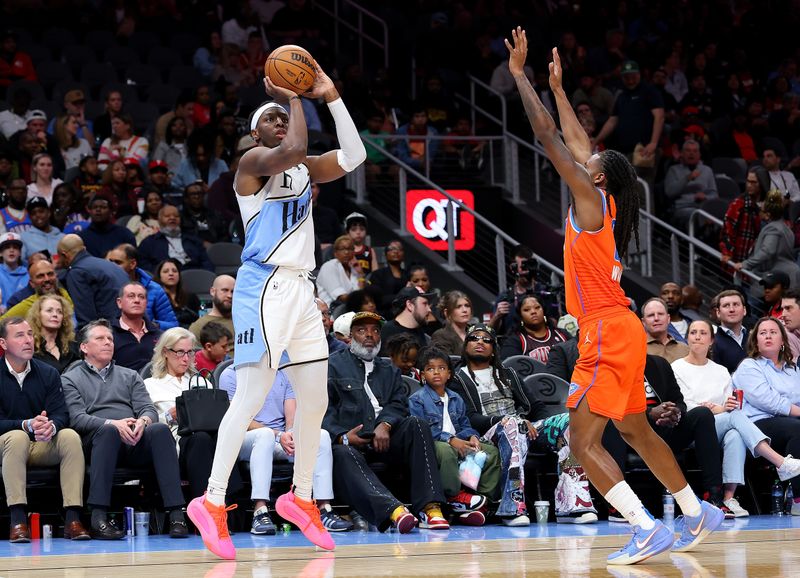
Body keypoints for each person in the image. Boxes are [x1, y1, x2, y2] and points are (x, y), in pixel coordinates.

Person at [507, 31, 721, 564]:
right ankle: (696, 512)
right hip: (622, 330)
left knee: (581, 444)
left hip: (604, 330)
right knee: (636, 428)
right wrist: (558, 87)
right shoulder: (604, 199)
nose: (586, 159)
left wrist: (520, 78)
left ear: (597, 176)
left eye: (592, 161)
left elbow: (550, 138)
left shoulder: (588, 201)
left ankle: (645, 527)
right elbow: (578, 142)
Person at [187, 60, 367, 559]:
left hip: (303, 290)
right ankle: (213, 501)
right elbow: (294, 148)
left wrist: (329, 94)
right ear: (254, 134)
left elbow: (354, 153)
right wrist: (294, 95)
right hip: (263, 286)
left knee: (315, 402)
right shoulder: (250, 167)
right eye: (271, 117)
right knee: (251, 396)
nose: (282, 121)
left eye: (284, 115)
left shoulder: (304, 169)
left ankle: (302, 497)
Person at [450, 323, 599, 525]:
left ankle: (572, 505)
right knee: (513, 425)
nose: (480, 342)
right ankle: (512, 507)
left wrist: (547, 426)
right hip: (485, 433)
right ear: (465, 345)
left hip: (521, 427)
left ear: (494, 349)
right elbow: (468, 417)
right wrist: (507, 421)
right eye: (474, 338)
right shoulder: (458, 378)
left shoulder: (507, 373)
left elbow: (536, 406)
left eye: (487, 340)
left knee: (568, 423)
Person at [61, 320, 188, 539]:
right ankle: (98, 518)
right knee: (109, 432)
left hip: (133, 438)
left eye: (110, 339)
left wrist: (143, 423)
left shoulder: (129, 375)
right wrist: (112, 424)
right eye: (100, 339)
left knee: (159, 430)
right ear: (84, 347)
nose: (108, 343)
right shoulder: (70, 378)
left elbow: (147, 408)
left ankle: (176, 515)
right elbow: (77, 418)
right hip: (97, 441)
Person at [324, 311, 448, 533]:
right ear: (350, 337)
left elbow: (398, 403)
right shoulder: (332, 365)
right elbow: (324, 408)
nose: (369, 335)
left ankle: (430, 507)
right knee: (341, 452)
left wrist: (386, 424)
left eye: (375, 330)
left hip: (385, 437)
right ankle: (395, 511)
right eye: (362, 330)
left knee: (417, 425)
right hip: (352, 440)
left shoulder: (388, 368)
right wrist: (343, 436)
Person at [672, 319, 800, 517]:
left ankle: (728, 498)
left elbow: (728, 404)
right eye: (693, 332)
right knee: (737, 418)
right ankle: (781, 463)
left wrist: (721, 408)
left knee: (735, 433)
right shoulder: (677, 367)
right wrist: (716, 409)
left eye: (703, 333)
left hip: (720, 423)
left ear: (712, 340)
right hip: (691, 425)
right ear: (686, 338)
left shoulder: (721, 371)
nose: (697, 336)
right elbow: (682, 403)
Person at [219, 365, 352, 535]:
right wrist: (278, 435)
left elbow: (291, 414)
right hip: (244, 438)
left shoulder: (283, 372)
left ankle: (323, 509)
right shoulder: (231, 374)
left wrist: (290, 433)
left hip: (280, 438)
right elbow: (239, 418)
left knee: (322, 436)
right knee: (265, 435)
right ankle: (260, 512)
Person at [0, 317, 89, 542]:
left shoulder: (48, 373)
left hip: (39, 443)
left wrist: (51, 426)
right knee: (17, 437)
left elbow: (61, 414)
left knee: (69, 436)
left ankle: (73, 519)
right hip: (6, 445)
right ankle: (18, 520)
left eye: (30, 334)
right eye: (19, 335)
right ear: (3, 344)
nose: (28, 340)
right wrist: (25, 424)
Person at [144, 328, 242, 501]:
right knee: (201, 438)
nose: (185, 358)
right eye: (180, 352)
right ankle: (206, 503)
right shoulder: (151, 384)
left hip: (208, 437)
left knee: (221, 437)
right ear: (165, 352)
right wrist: (169, 415)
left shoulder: (201, 381)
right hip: (175, 443)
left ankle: (231, 500)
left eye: (189, 352)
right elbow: (146, 422)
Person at [408, 347, 500, 526]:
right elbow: (421, 430)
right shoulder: (417, 399)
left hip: (458, 440)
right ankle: (454, 496)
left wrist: (472, 436)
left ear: (449, 374)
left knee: (491, 453)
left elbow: (465, 424)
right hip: (435, 443)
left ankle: (481, 501)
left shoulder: (456, 398)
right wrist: (451, 440)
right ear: (422, 375)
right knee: (447, 451)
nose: (436, 372)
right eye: (430, 368)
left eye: (441, 368)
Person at [732, 317, 800, 516]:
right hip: (757, 425)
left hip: (788, 421)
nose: (768, 336)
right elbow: (769, 401)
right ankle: (798, 499)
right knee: (797, 430)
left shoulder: (792, 370)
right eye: (763, 333)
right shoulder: (749, 366)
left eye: (773, 332)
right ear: (756, 341)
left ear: (783, 341)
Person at [731, 190, 800, 295]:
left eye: (761, 210)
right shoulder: (788, 229)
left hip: (772, 279)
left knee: (752, 307)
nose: (759, 212)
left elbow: (767, 251)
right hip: (788, 276)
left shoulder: (772, 228)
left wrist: (745, 264)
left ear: (767, 215)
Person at [56, 234, 130, 328]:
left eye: (59, 257)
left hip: (110, 332)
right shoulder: (111, 265)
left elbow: (86, 320)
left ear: (64, 255)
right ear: (84, 248)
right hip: (132, 327)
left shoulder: (77, 272)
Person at [106, 244, 178, 330]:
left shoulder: (155, 289)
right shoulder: (104, 287)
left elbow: (172, 325)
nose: (111, 266)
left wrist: (151, 326)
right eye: (110, 261)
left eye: (118, 262)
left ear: (132, 264)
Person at [137, 205, 215, 272]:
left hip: (193, 276)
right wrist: (159, 275)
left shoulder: (192, 240)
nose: (172, 218)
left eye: (176, 216)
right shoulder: (149, 242)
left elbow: (206, 262)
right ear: (159, 220)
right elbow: (143, 265)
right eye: (167, 216)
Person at [720, 169, 768, 273]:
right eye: (748, 181)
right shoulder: (739, 204)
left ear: (762, 183)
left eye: (754, 182)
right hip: (740, 259)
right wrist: (727, 252)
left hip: (762, 260)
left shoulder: (769, 206)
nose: (749, 185)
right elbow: (727, 230)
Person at [499, 294, 570, 362]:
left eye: (537, 307)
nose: (533, 312)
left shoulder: (562, 335)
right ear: (520, 316)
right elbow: (509, 367)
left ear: (544, 311)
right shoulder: (514, 341)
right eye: (527, 310)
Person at [110, 283, 163, 372]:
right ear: (119, 303)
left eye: (141, 297)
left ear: (146, 303)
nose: (137, 300)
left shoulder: (161, 336)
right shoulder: (108, 335)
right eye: (131, 296)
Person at [27, 294, 80, 373]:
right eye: (49, 310)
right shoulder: (29, 346)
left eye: (59, 312)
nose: (55, 315)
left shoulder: (73, 346)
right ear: (38, 315)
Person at [378, 286, 434, 355]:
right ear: (410, 305)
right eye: (424, 304)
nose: (429, 309)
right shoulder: (388, 331)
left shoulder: (420, 332)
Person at [316, 235, 364, 307]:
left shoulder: (354, 269)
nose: (346, 252)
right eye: (342, 249)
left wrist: (360, 274)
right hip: (331, 311)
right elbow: (342, 298)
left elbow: (360, 292)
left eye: (350, 249)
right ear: (335, 253)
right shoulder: (329, 266)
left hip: (352, 308)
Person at [155, 258, 201, 328]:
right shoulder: (156, 298)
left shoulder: (191, 297)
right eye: (165, 271)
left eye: (174, 271)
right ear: (159, 276)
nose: (171, 274)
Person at [642, 298, 691, 363]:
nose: (656, 318)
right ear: (643, 322)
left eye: (660, 314)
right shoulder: (637, 349)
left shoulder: (685, 349)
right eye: (651, 315)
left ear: (668, 319)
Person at [188, 274, 235, 343]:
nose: (230, 296)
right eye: (225, 290)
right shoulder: (198, 327)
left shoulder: (242, 321)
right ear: (212, 291)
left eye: (233, 292)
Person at [712, 289, 750, 373]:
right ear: (718, 313)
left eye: (736, 304)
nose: (732, 309)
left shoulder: (755, 338)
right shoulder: (712, 342)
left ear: (744, 310)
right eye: (726, 305)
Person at [180, 181, 228, 246]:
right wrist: (201, 243)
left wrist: (216, 247)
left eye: (199, 193)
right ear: (186, 199)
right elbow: (182, 237)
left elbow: (224, 235)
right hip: (193, 249)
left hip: (216, 249)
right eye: (193, 194)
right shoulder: (181, 217)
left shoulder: (215, 215)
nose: (197, 197)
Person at [367, 240, 406, 317]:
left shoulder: (408, 274)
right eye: (392, 249)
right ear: (385, 254)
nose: (396, 251)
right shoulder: (377, 274)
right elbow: (379, 300)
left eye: (399, 249)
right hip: (384, 314)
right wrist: (402, 296)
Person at [20, 196, 64, 262]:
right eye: (33, 213)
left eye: (41, 211)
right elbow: (20, 265)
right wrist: (31, 261)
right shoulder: (23, 238)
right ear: (30, 217)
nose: (37, 215)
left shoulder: (63, 237)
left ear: (49, 213)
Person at [431, 290, 473, 356]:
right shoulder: (441, 336)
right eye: (458, 307)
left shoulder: (474, 332)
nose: (465, 310)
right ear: (447, 313)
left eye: (467, 305)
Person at [0, 232, 28, 311]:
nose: (11, 250)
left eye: (15, 247)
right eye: (7, 247)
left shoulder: (29, 274)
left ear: (20, 253)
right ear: (0, 253)